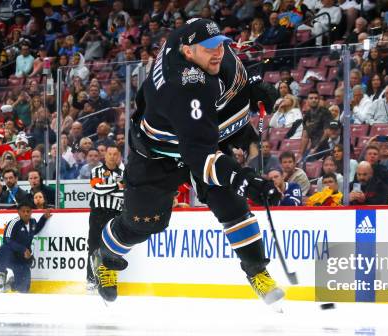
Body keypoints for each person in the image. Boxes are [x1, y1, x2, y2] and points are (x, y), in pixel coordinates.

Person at [91, 19, 282, 305]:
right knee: (140, 225)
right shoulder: (183, 85)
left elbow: (228, 77)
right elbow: (199, 156)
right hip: (159, 153)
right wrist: (242, 178)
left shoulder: (197, 47)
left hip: (198, 135)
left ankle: (257, 271)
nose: (217, 52)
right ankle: (104, 259)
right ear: (188, 52)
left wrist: (252, 94)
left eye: (220, 45)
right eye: (209, 49)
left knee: (231, 203)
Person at [87, 146, 125, 290]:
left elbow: (124, 194)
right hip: (98, 213)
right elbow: (97, 189)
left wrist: (107, 190)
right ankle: (91, 280)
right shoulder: (96, 171)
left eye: (115, 154)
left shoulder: (123, 174)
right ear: (105, 155)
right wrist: (116, 186)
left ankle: (109, 280)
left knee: (112, 248)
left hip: (116, 214)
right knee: (94, 246)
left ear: (119, 155)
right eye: (110, 154)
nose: (112, 156)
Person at [0, 201, 52, 293]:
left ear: (31, 212)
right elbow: (7, 239)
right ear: (19, 212)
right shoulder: (14, 223)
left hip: (23, 259)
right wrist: (23, 249)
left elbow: (35, 230)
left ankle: (10, 284)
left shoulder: (32, 222)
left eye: (28, 211)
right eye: (23, 211)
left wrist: (44, 218)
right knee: (5, 247)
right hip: (11, 257)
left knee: (24, 288)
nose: (26, 213)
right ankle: (1, 275)